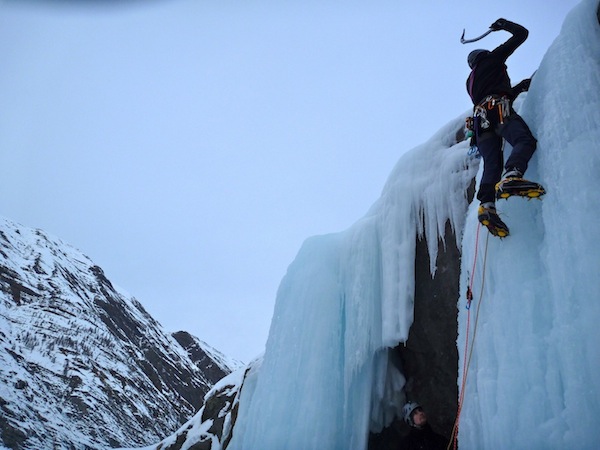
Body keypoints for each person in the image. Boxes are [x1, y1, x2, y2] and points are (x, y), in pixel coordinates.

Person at [466, 18, 543, 238]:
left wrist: (520, 87)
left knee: (492, 163)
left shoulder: (470, 82)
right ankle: (512, 175)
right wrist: (504, 25)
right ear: (484, 55)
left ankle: (487, 205)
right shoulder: (493, 58)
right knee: (524, 141)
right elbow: (522, 34)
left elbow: (495, 89)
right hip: (498, 110)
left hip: (481, 123)